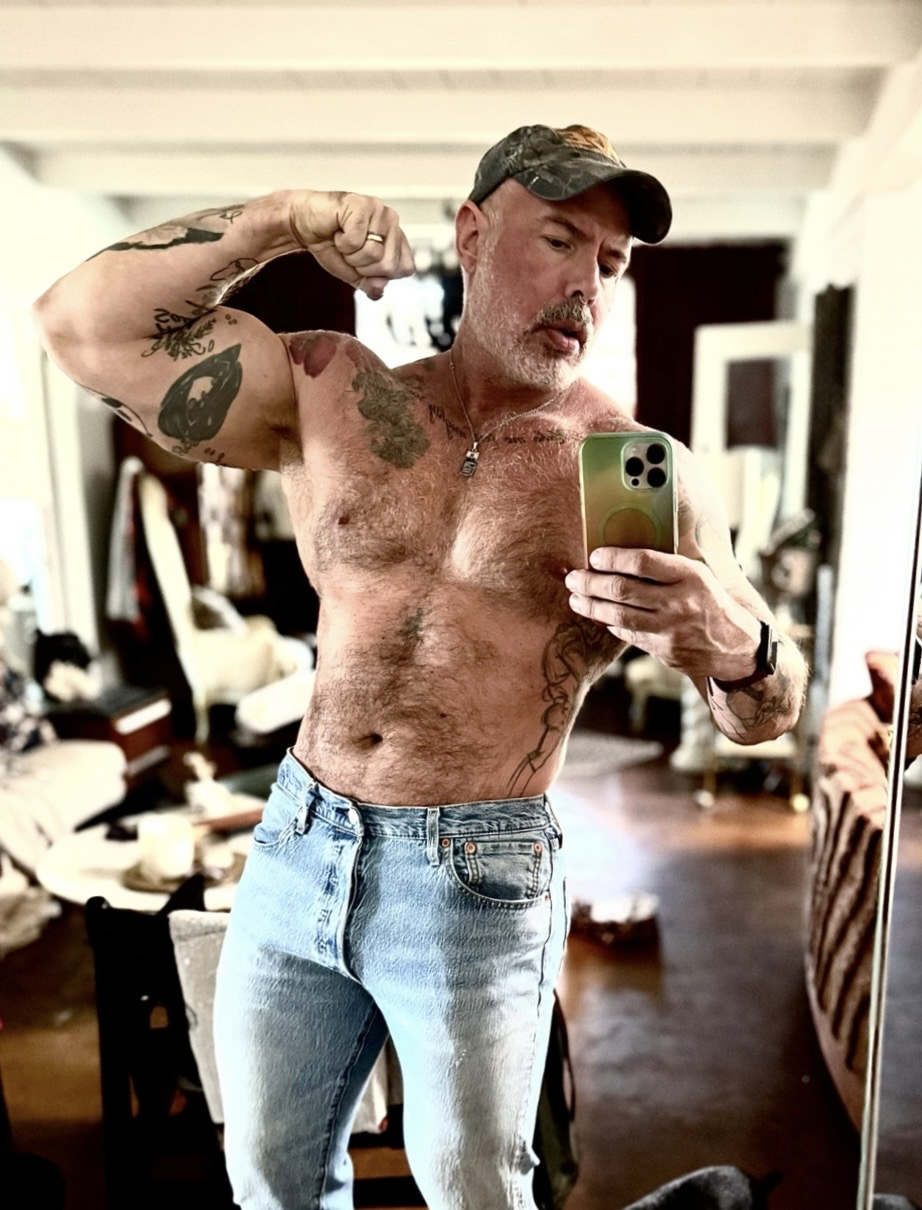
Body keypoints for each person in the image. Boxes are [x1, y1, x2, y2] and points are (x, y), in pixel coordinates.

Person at [32, 123, 808, 1210]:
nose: (586, 284)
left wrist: (736, 646)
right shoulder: (332, 392)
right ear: (473, 233)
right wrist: (278, 222)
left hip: (478, 874)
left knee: (475, 1192)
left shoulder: (637, 470)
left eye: (612, 262)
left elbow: (768, 710)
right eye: (560, 240)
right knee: (269, 1177)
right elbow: (80, 326)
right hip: (300, 842)